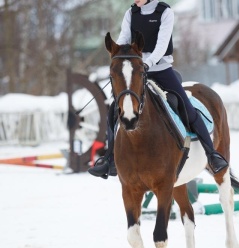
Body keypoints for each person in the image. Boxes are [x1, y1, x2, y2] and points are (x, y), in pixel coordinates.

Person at [88, 0, 228, 178]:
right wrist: (118, 55)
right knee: (114, 109)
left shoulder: (165, 12)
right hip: (136, 71)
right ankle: (109, 158)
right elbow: (124, 39)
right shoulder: (131, 14)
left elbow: (162, 45)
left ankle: (212, 155)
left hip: (161, 70)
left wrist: (148, 62)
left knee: (187, 107)